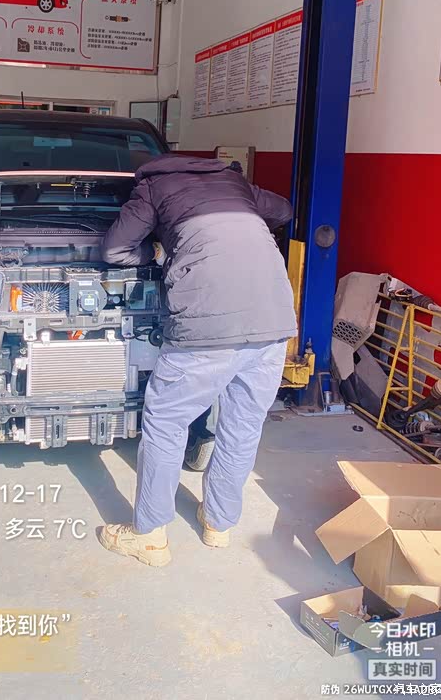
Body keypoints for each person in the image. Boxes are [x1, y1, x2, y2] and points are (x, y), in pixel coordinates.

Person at [97, 155, 296, 566]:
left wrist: (156, 253)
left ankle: (150, 536)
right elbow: (284, 210)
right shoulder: (234, 184)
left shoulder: (152, 187)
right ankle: (218, 524)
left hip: (208, 325)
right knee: (242, 426)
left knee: (166, 424)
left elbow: (115, 249)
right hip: (273, 318)